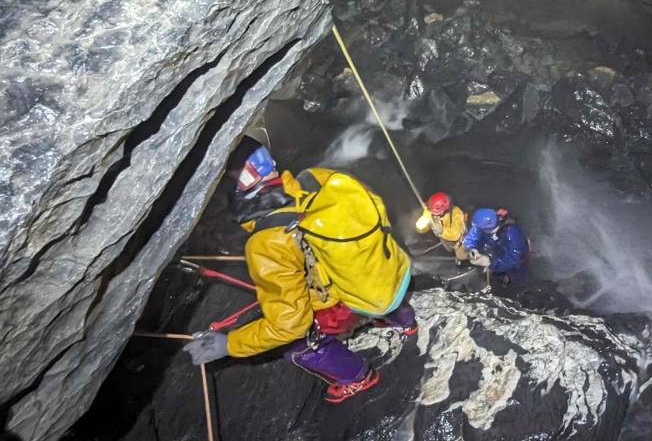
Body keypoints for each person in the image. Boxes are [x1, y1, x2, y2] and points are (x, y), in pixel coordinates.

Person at [184, 136, 415, 403]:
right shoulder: (318, 179)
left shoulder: (267, 241)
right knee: (370, 287)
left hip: (354, 298)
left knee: (297, 344)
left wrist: (229, 344)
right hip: (391, 269)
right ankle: (405, 322)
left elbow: (290, 325)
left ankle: (358, 377)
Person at [462, 207, 530, 286]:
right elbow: (471, 237)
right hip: (497, 254)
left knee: (514, 284)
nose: (477, 230)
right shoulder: (481, 227)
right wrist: (471, 249)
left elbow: (515, 258)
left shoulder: (512, 233)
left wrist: (490, 262)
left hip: (516, 265)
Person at [415, 190, 469, 263]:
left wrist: (442, 231)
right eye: (432, 211)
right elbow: (421, 229)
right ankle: (451, 252)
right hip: (445, 241)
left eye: (436, 212)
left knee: (462, 256)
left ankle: (466, 261)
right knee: (448, 249)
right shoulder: (429, 211)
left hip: (460, 241)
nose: (433, 213)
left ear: (444, 208)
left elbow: (456, 235)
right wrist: (423, 225)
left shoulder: (456, 213)